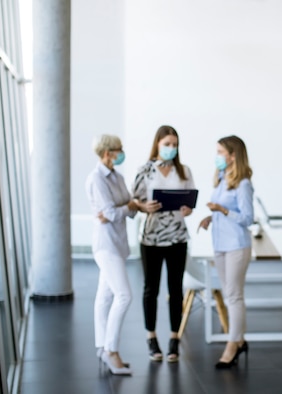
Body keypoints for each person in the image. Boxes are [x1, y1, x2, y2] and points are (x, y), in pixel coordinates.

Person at [131, 125, 195, 362]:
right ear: (157, 144)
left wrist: (188, 209)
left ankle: (174, 338)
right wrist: (142, 206)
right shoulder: (145, 170)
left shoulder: (184, 171)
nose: (171, 148)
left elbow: (190, 200)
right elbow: (133, 200)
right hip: (151, 238)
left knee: (176, 289)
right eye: (167, 143)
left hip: (178, 236)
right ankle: (151, 337)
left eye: (175, 144)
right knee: (151, 288)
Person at [198, 135, 254, 369]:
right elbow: (226, 211)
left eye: (221, 152)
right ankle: (239, 340)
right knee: (229, 292)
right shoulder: (222, 178)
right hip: (220, 244)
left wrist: (221, 209)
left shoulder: (243, 184)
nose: (217, 156)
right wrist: (212, 216)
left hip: (236, 246)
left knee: (233, 296)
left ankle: (233, 345)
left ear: (233, 156)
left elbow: (248, 218)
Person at [85, 134, 138, 375]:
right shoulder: (96, 179)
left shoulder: (118, 177)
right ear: (108, 153)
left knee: (105, 297)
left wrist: (128, 208)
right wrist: (125, 208)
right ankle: (111, 350)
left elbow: (122, 208)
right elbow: (111, 212)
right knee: (124, 296)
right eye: (119, 150)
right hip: (106, 246)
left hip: (118, 242)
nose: (121, 153)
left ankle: (101, 346)